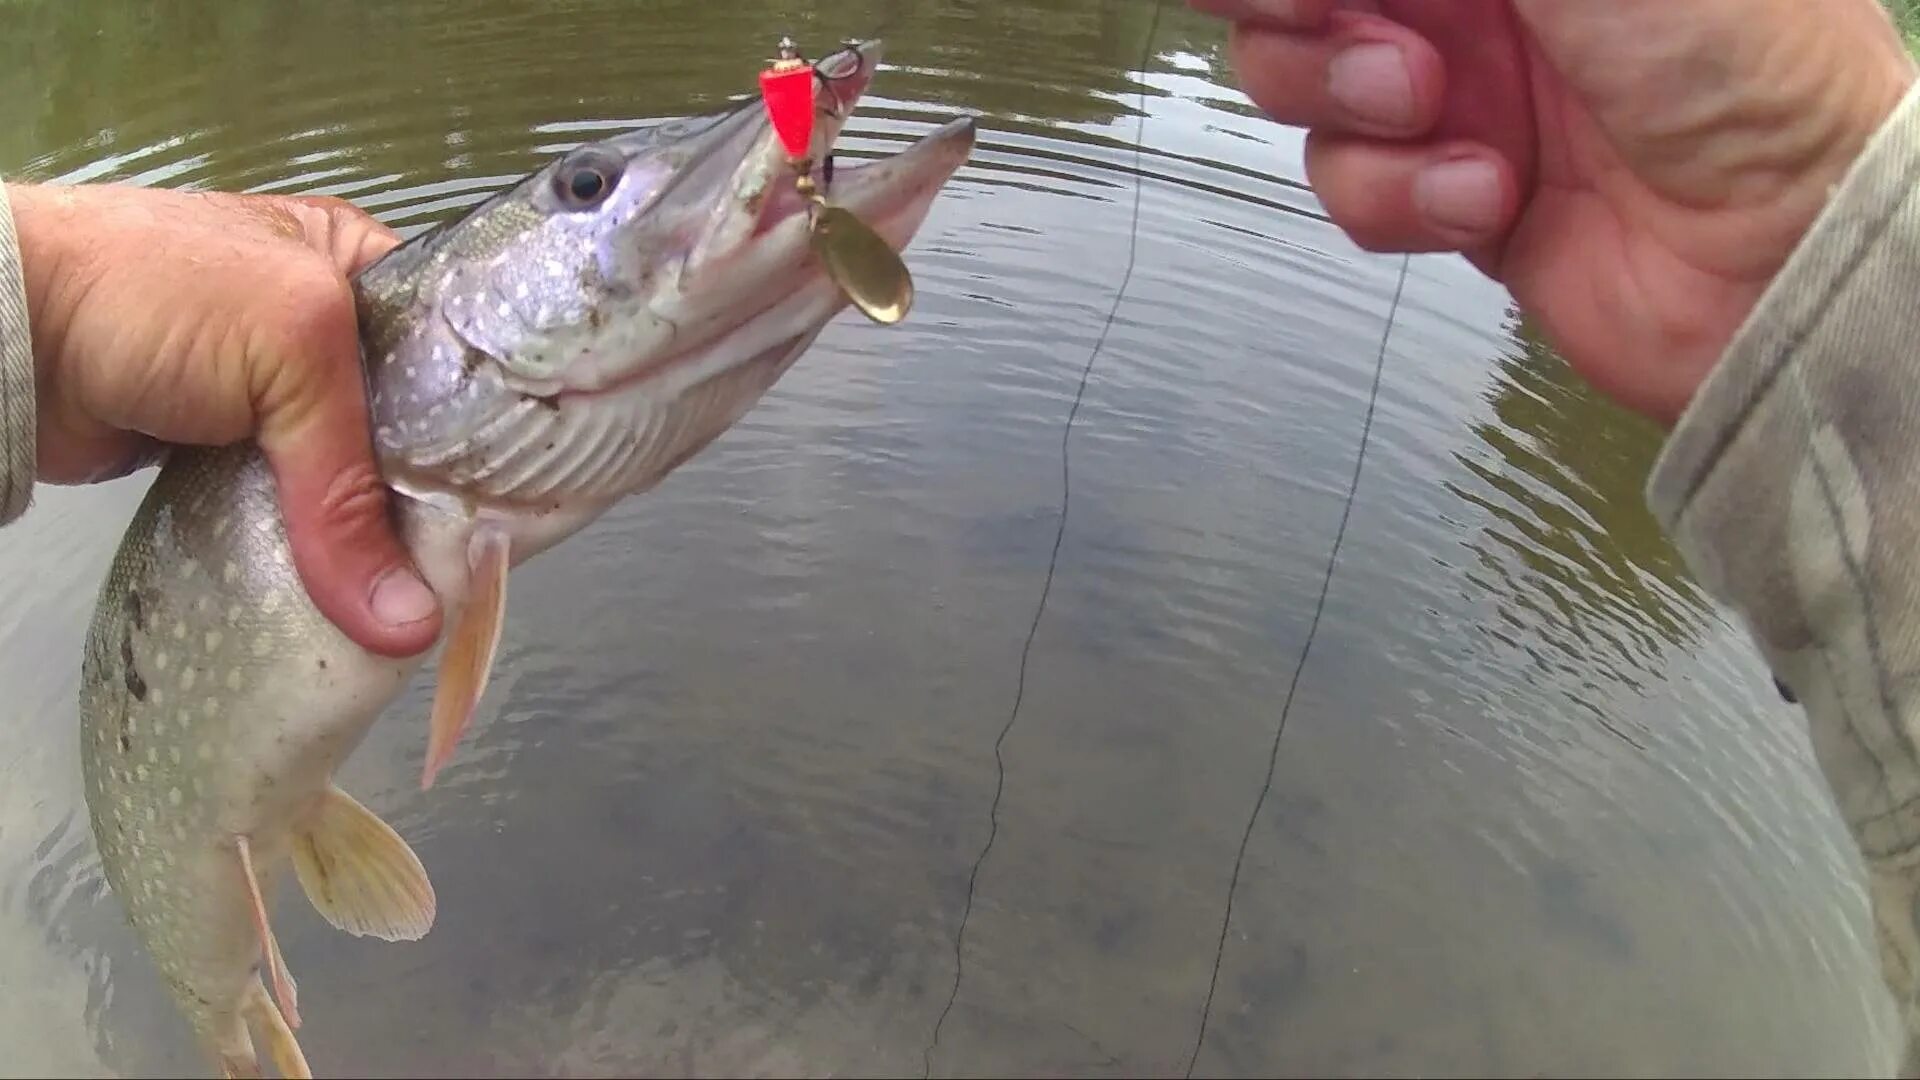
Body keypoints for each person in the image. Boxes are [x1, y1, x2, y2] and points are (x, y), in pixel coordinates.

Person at [0, 0, 1916, 1067]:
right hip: (214, 825)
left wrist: (1814, 228)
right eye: (580, 190)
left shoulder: (487, 454)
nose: (637, 194)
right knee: (232, 1003)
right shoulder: (428, 439)